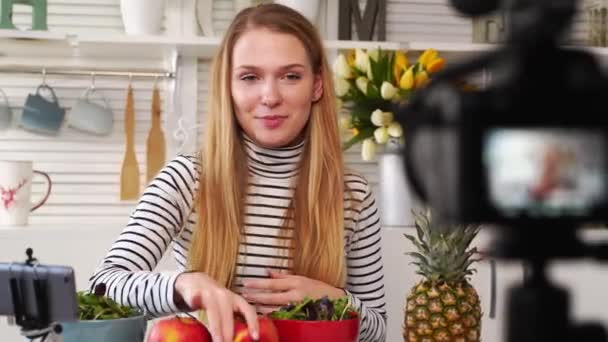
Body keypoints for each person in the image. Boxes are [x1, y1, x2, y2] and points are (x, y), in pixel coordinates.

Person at [89, 4, 386, 342]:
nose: (270, 96)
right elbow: (103, 286)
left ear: (316, 85)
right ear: (228, 87)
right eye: (249, 77)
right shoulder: (186, 179)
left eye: (291, 76)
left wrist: (333, 299)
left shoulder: (353, 195)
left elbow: (378, 329)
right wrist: (182, 284)